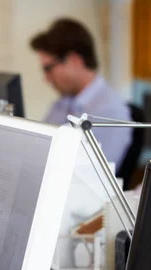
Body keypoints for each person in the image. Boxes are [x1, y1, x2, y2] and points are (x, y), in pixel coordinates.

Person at [30, 18, 132, 167]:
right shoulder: (62, 103)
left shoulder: (110, 111)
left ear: (74, 60)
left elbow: (95, 173)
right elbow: (38, 147)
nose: (46, 79)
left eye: (48, 68)